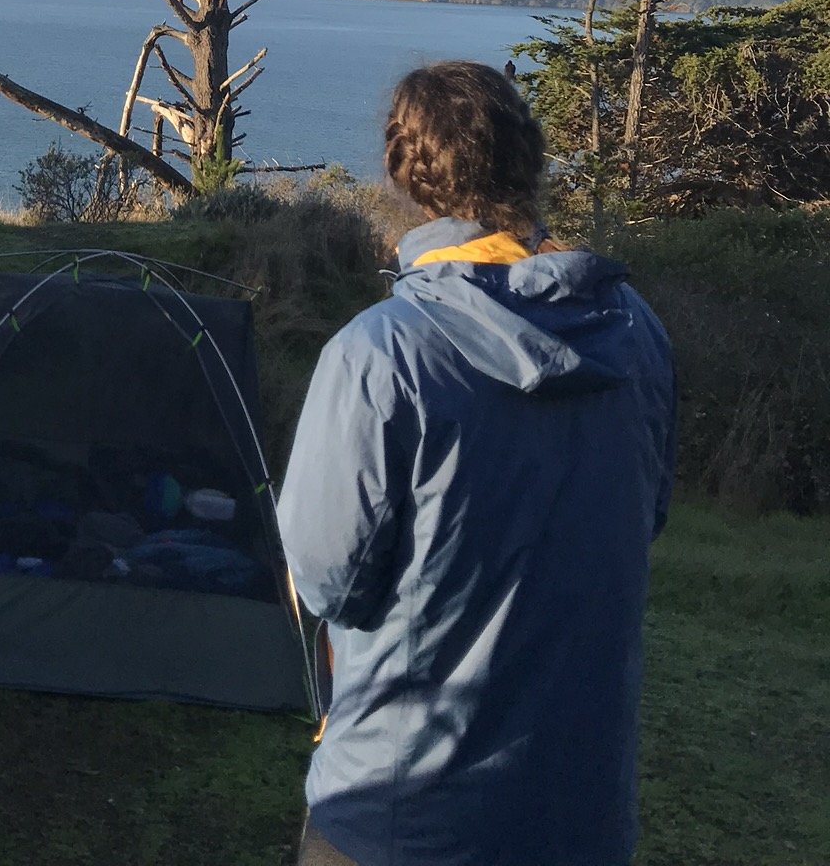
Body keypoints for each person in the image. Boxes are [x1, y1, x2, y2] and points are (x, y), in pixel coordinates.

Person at [277, 61, 674, 866]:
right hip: (580, 812)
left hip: (402, 811)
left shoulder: (380, 353)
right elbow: (645, 515)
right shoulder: (636, 332)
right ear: (530, 159)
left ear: (402, 169)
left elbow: (326, 581)